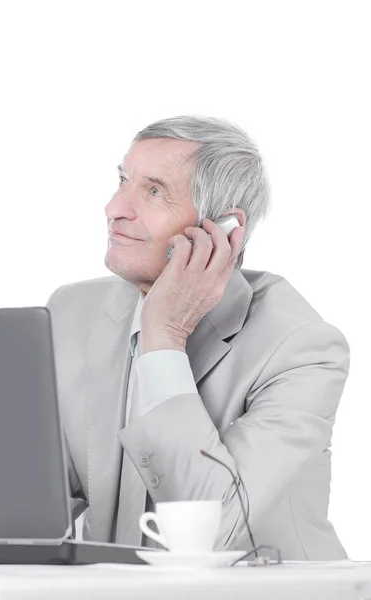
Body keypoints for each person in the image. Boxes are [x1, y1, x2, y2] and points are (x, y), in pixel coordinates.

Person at [46, 115, 350, 560]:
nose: (115, 207)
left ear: (224, 227)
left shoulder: (302, 349)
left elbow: (209, 530)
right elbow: (35, 494)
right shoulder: (71, 313)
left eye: (153, 191)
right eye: (123, 180)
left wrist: (163, 337)